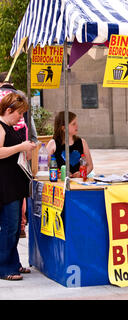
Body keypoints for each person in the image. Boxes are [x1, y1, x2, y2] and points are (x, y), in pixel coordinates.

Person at [0, 92, 37, 281]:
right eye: (19, 114)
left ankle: (13, 262)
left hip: (14, 183)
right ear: (9, 110)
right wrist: (21, 148)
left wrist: (26, 150)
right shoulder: (0, 127)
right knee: (9, 226)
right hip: (5, 185)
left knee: (15, 226)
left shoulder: (10, 127)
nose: (21, 118)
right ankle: (4, 266)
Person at [46, 111, 93, 177]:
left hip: (78, 182)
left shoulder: (82, 142)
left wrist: (81, 174)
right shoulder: (53, 144)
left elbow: (90, 166)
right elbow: (45, 167)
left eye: (76, 123)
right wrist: (58, 174)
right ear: (64, 128)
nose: (77, 126)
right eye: (73, 124)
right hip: (60, 183)